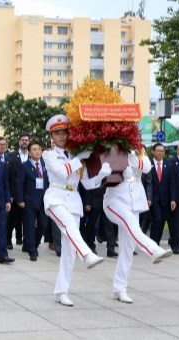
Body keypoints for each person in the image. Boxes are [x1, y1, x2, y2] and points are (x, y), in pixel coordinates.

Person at [82, 148, 173, 303]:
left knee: (128, 248)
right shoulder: (109, 151)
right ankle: (153, 249)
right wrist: (118, 156)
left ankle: (120, 288)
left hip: (134, 202)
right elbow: (100, 175)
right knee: (131, 225)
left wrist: (130, 157)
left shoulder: (138, 150)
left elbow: (146, 167)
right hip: (115, 201)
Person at [42, 114, 104, 307]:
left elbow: (87, 183)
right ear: (51, 136)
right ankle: (86, 254)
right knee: (69, 226)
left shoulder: (76, 155)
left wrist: (103, 173)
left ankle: (62, 291)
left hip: (74, 201)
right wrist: (79, 158)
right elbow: (62, 172)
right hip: (56, 198)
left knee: (69, 250)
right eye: (57, 133)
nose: (61, 136)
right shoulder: (49, 154)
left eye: (64, 132)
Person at [16, 140, 49, 261]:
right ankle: (32, 251)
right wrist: (20, 200)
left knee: (43, 224)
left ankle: (33, 244)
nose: (37, 152)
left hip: (43, 200)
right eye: (34, 150)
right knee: (29, 227)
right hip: (29, 201)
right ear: (29, 153)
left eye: (39, 149)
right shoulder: (24, 166)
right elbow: (19, 184)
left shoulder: (45, 165)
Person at [149, 143, 176, 244]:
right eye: (158, 151)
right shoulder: (148, 164)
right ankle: (152, 242)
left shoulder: (169, 166)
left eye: (162, 151)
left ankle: (157, 242)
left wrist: (173, 199)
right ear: (153, 151)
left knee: (162, 221)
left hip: (165, 199)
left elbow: (172, 184)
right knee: (157, 219)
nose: (160, 153)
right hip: (153, 199)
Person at [7, 133, 30, 249]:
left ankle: (26, 241)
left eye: (26, 140)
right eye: (22, 140)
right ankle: (8, 240)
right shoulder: (11, 156)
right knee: (12, 218)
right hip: (15, 192)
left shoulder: (33, 156)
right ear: (19, 141)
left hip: (29, 192)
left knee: (27, 219)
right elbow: (10, 176)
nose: (24, 142)